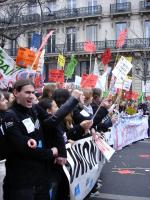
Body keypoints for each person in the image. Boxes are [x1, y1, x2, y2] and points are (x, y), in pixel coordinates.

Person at [3, 79, 82, 200]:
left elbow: (53, 122)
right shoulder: (10, 116)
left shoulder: (34, 109)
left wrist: (61, 152)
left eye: (33, 92)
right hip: (21, 183)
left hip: (41, 179)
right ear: (15, 92)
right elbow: (23, 149)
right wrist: (51, 152)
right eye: (27, 92)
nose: (31, 96)